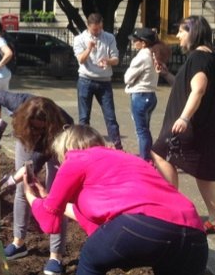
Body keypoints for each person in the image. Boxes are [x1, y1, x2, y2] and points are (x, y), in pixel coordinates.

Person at [22, 125, 215, 275]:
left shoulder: (76, 158)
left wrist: (30, 196)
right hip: (193, 234)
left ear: (67, 149)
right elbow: (92, 220)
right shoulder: (127, 161)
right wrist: (47, 198)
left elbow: (49, 222)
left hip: (141, 225)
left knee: (90, 260)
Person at [0, 91, 72, 275]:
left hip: (58, 143)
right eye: (34, 127)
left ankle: (55, 256)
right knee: (22, 189)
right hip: (24, 137)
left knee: (56, 198)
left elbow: (36, 160)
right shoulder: (18, 103)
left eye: (40, 129)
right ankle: (19, 243)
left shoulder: (62, 126)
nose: (37, 132)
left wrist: (10, 180)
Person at [151, 15, 215, 233]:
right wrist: (167, 74)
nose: (177, 36)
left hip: (187, 126)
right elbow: (188, 88)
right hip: (202, 126)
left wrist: (184, 118)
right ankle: (214, 217)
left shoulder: (198, 56)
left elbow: (199, 88)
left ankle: (173, 208)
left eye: (181, 31)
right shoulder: (209, 57)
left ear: (194, 32)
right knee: (202, 171)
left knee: (160, 152)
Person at [73, 13, 122, 149]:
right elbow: (81, 60)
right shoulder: (79, 39)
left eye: (99, 29)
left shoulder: (109, 37)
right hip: (85, 80)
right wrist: (89, 48)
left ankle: (117, 146)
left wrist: (108, 61)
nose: (97, 32)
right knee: (84, 118)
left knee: (110, 117)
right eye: (94, 30)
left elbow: (116, 59)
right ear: (88, 26)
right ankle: (83, 147)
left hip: (104, 81)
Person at [123, 27, 160, 161]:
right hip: (150, 96)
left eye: (135, 41)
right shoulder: (154, 53)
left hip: (140, 95)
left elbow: (127, 78)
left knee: (141, 131)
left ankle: (145, 160)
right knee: (145, 129)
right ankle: (149, 157)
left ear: (143, 43)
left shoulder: (142, 57)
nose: (133, 43)